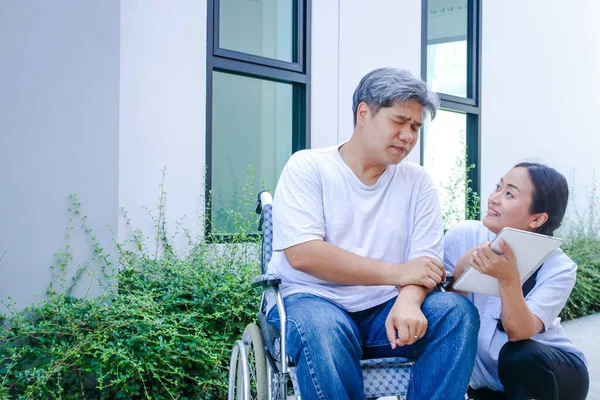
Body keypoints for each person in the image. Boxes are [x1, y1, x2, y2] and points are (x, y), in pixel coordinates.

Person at [265, 67, 479, 400]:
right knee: (322, 328)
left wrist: (409, 300)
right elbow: (304, 254)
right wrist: (397, 273)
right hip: (313, 300)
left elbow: (425, 262)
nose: (407, 135)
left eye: (416, 127)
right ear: (364, 113)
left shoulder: (418, 183)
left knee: (455, 312)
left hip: (385, 311)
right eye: (399, 121)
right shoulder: (308, 167)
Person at [444, 162, 589, 400]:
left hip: (551, 373)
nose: (494, 198)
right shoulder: (463, 236)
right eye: (498, 187)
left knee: (518, 354)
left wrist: (509, 279)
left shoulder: (559, 267)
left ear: (537, 218)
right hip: (490, 384)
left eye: (509, 194)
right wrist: (460, 273)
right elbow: (450, 319)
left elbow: (519, 333)